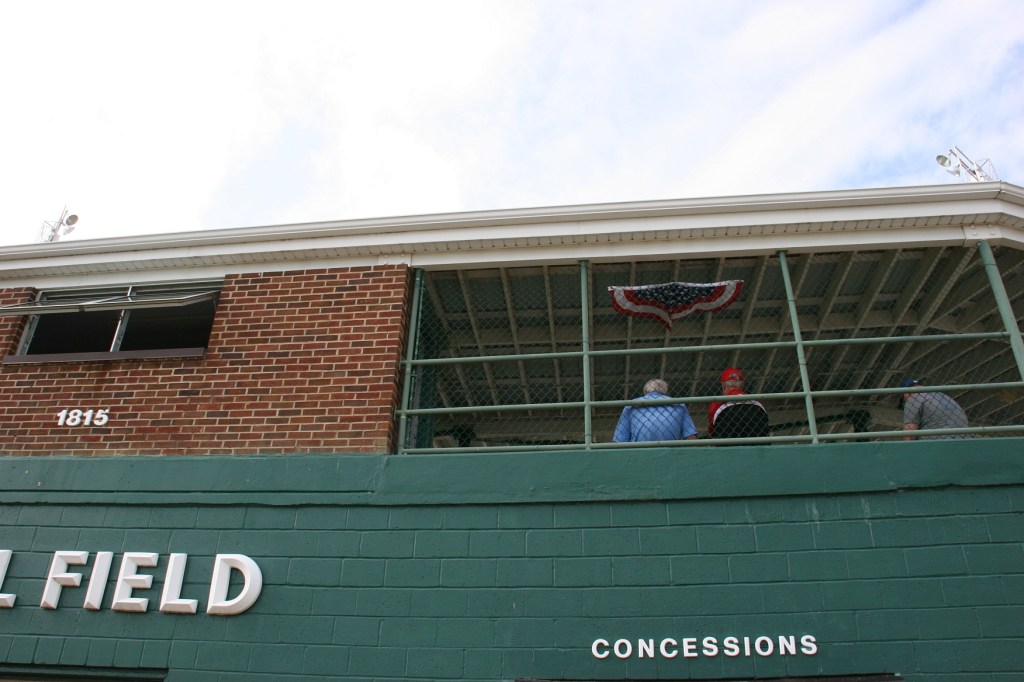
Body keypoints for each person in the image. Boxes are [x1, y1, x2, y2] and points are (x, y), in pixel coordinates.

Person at [613, 379, 698, 442]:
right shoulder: (678, 404)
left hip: (638, 453)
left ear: (645, 392)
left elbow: (620, 440)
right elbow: (691, 437)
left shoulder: (631, 406)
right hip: (671, 453)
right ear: (665, 392)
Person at [898, 378, 971, 440]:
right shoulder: (942, 395)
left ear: (906, 393)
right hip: (963, 439)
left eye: (903, 400)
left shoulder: (913, 397)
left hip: (936, 441)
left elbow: (909, 433)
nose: (905, 402)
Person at [707, 367, 769, 440]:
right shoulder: (756, 402)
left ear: (723, 386)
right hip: (758, 444)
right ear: (742, 385)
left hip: (728, 445)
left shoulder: (717, 403)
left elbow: (712, 430)